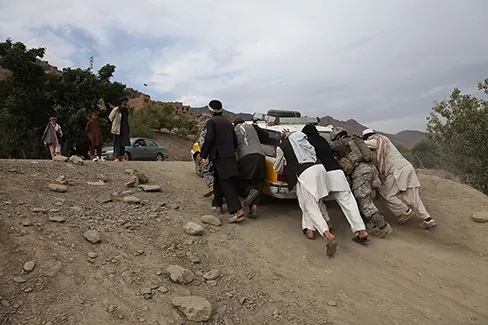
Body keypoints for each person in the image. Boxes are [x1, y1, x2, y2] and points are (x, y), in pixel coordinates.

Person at [296, 126, 370, 244]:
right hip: (337, 172)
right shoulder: (324, 141)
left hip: (323, 173)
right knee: (348, 202)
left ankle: (315, 229)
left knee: (316, 201)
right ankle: (361, 231)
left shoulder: (307, 142)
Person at [326, 126, 393, 238]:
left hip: (360, 172)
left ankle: (383, 226)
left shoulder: (342, 143)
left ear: (337, 137)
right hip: (371, 169)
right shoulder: (355, 141)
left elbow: (328, 147)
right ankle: (370, 222)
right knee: (366, 198)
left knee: (363, 200)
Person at [362, 128, 436, 229]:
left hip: (398, 169)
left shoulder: (377, 140)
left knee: (386, 193)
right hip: (407, 166)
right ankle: (427, 219)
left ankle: (404, 211)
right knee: (412, 196)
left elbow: (363, 144)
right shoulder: (385, 140)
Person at [198, 100, 248, 223]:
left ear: (210, 111)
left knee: (226, 182)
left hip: (220, 157)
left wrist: (202, 154)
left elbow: (209, 139)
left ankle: (238, 210)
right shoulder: (228, 123)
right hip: (230, 156)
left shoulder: (211, 122)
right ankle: (218, 205)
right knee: (219, 180)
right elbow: (235, 141)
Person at [233, 118, 268, 218]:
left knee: (238, 179)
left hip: (246, 157)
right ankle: (254, 209)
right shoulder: (253, 126)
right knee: (258, 182)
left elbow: (233, 145)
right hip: (260, 156)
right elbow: (266, 136)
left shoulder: (234, 130)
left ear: (235, 124)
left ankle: (249, 191)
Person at [109, 96, 130, 162]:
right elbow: (110, 117)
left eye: (126, 102)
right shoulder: (116, 109)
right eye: (124, 101)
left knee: (123, 143)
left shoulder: (126, 110)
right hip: (117, 129)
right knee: (117, 143)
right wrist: (115, 124)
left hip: (124, 129)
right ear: (121, 102)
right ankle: (116, 157)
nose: (125, 103)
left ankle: (121, 157)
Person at [197, 121, 216, 199]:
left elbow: (202, 144)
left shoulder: (205, 133)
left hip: (209, 155)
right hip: (219, 155)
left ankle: (212, 185)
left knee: (206, 170)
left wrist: (202, 155)